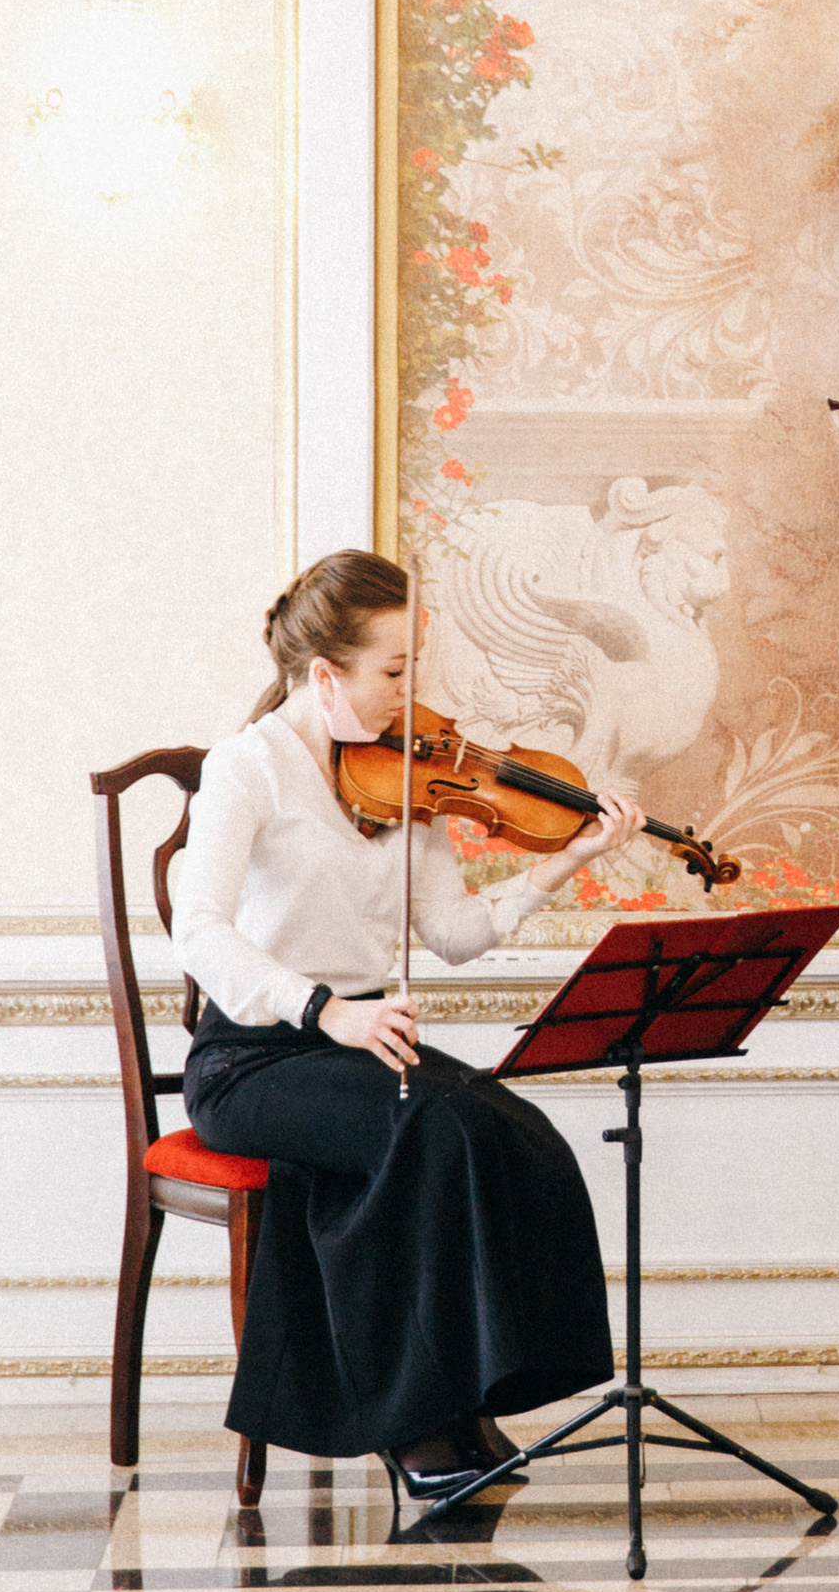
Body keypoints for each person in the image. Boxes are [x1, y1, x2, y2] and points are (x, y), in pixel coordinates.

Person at [175, 549, 644, 1506]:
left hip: (360, 1040)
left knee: (511, 1127)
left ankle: (479, 1395)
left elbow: (455, 932)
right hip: (254, 1059)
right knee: (426, 1131)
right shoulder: (248, 766)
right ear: (324, 674)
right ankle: (417, 1423)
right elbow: (199, 930)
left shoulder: (407, 779)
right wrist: (323, 1009)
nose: (409, 696)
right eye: (393, 675)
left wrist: (565, 863)